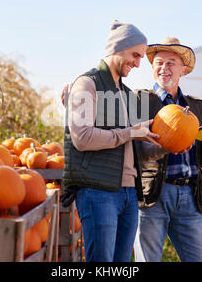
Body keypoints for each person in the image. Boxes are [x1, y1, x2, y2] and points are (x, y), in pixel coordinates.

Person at [61, 21, 168, 262]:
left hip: (129, 193)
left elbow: (136, 149)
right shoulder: (87, 84)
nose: (138, 63)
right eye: (135, 55)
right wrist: (130, 132)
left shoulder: (129, 95)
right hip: (98, 192)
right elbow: (82, 138)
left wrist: (165, 147)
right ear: (117, 49)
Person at [133, 37, 202, 262]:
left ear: (183, 70)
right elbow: (132, 149)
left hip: (189, 196)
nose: (164, 68)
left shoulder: (197, 107)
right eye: (159, 63)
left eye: (171, 63)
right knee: (148, 260)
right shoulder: (139, 101)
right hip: (152, 194)